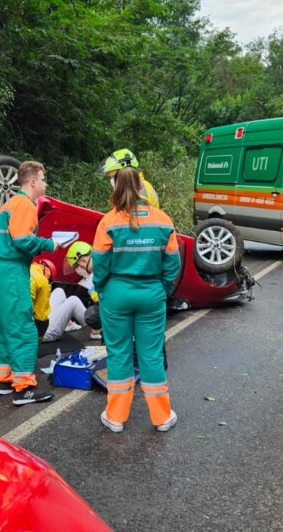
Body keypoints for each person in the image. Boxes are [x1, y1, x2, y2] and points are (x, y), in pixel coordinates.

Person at [92, 166, 180, 433]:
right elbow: (172, 264)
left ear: (116, 188)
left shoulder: (108, 221)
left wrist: (104, 289)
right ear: (142, 187)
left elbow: (99, 263)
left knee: (118, 354)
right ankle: (162, 417)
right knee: (151, 355)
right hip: (151, 294)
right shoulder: (163, 220)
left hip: (117, 294)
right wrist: (161, 287)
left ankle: (116, 417)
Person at [0, 161, 59, 406]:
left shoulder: (6, 205)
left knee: (4, 326)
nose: (45, 184)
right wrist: (48, 244)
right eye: (43, 179)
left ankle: (5, 378)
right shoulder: (26, 205)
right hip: (13, 270)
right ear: (32, 182)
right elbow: (22, 240)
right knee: (23, 329)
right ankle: (24, 388)